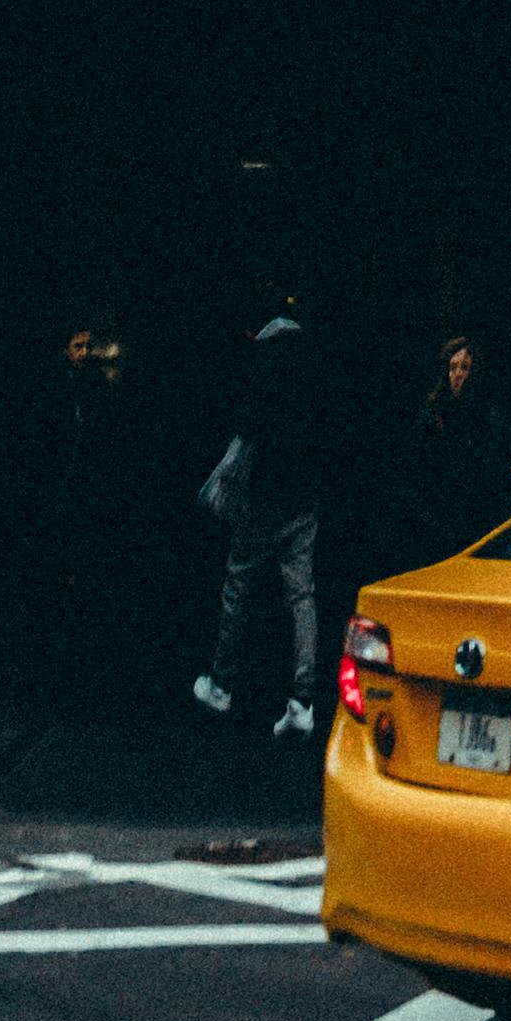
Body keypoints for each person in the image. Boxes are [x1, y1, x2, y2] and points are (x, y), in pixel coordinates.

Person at [192, 309, 325, 738]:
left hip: (264, 499)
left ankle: (222, 683)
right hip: (305, 501)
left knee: (238, 585)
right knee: (301, 595)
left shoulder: (266, 368)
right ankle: (302, 701)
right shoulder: (314, 375)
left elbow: (247, 435)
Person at [399, 334, 511, 561]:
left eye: (464, 368)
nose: (457, 375)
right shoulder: (432, 418)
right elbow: (414, 474)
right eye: (452, 368)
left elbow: (498, 476)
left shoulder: (488, 419)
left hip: (478, 526)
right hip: (438, 529)